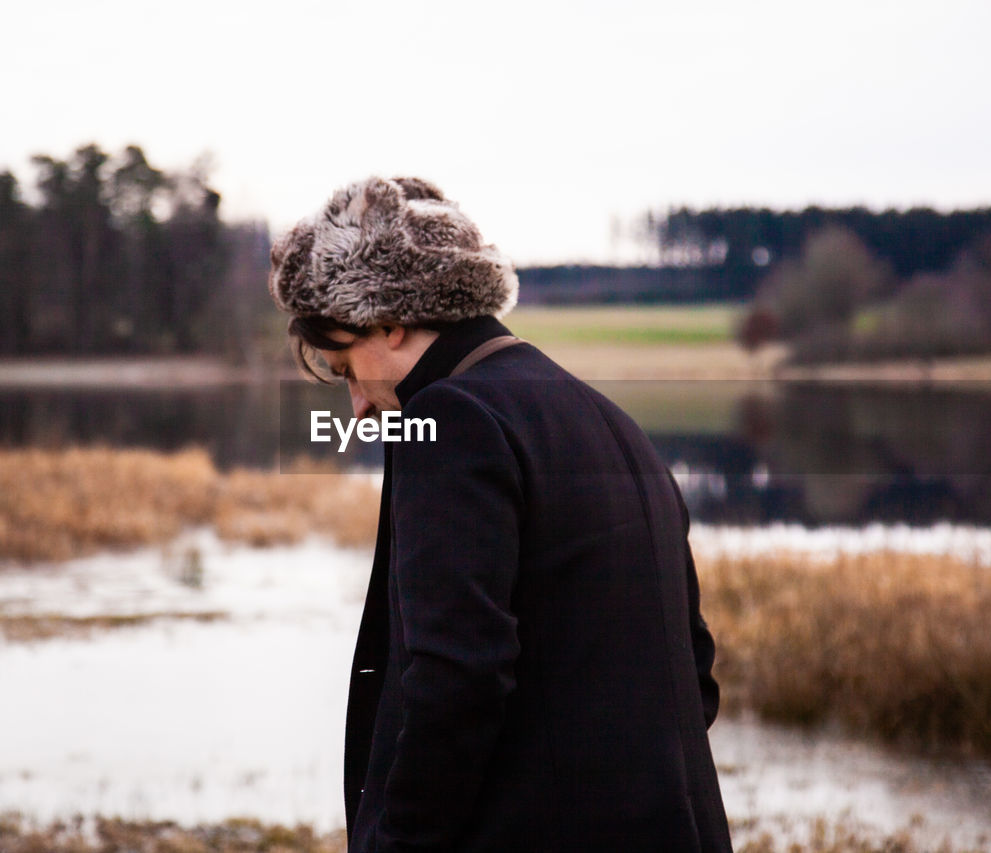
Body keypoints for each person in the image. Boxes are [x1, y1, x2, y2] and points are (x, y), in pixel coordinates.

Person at [269, 176, 732, 852]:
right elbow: (693, 673)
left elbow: (455, 685)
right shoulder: (610, 421)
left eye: (346, 369)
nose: (358, 407)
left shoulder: (449, 422)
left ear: (388, 321)